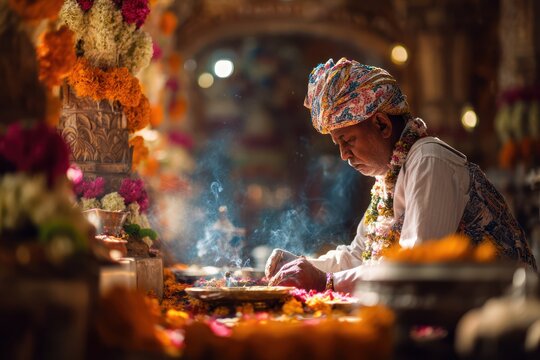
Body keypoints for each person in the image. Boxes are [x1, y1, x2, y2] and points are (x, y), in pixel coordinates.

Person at [265, 58, 537, 293]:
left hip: (497, 321)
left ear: (382, 124)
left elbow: (413, 266)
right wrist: (299, 266)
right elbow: (361, 254)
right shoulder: (389, 177)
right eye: (338, 145)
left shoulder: (429, 161)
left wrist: (326, 280)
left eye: (347, 140)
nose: (344, 155)